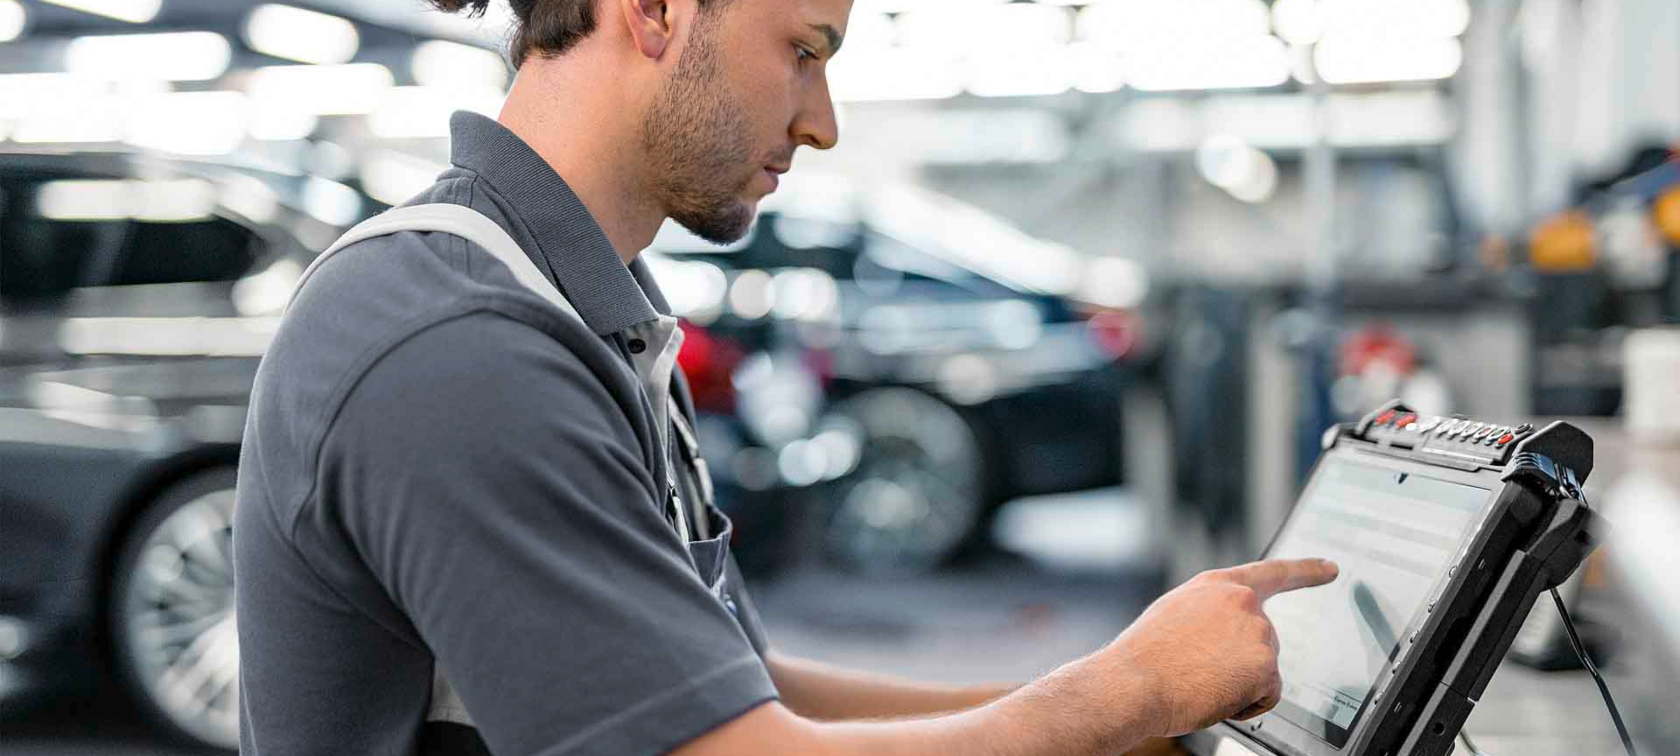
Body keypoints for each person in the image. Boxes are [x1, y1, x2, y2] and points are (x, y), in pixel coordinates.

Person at [231, 0, 1340, 754]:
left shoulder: (597, 315)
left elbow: (732, 691)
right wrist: (1121, 696)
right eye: (806, 49)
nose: (821, 122)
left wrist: (1109, 717)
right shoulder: (460, 340)